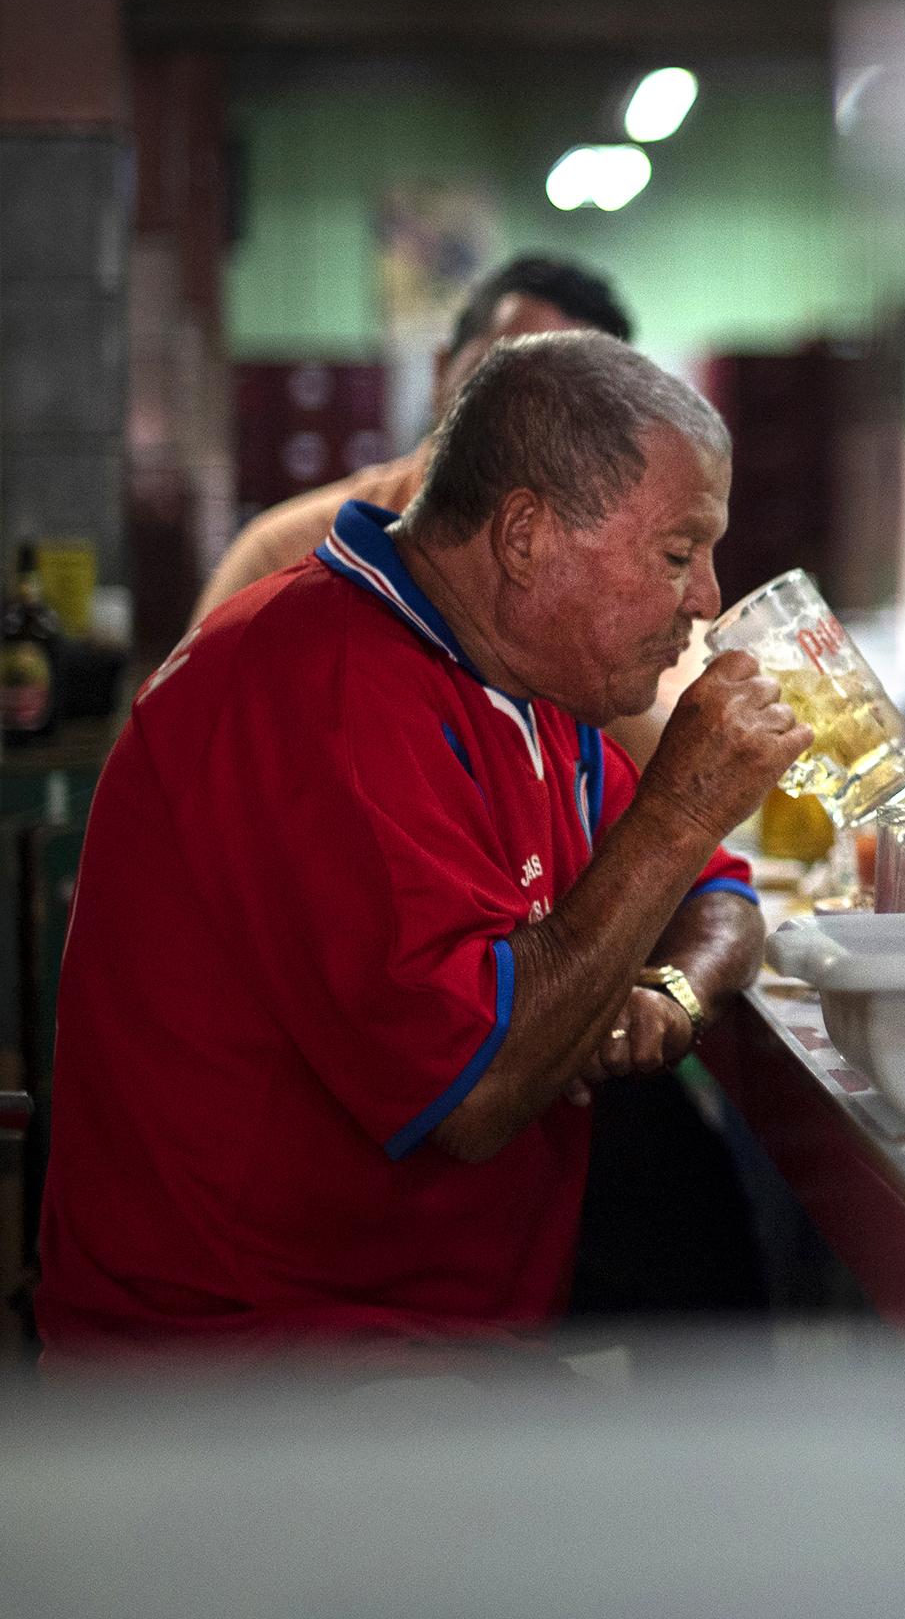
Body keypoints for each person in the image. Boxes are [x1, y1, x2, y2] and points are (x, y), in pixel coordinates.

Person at [37, 333, 809, 1355]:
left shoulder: (530, 686)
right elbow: (479, 1091)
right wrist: (679, 808)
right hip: (251, 1364)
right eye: (676, 554)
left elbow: (713, 893)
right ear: (525, 535)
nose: (707, 596)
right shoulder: (322, 690)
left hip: (437, 1322)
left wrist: (668, 994)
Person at [193, 254, 636, 625]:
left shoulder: (623, 574)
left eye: (572, 401)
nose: (525, 417)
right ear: (442, 369)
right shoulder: (288, 555)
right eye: (498, 373)